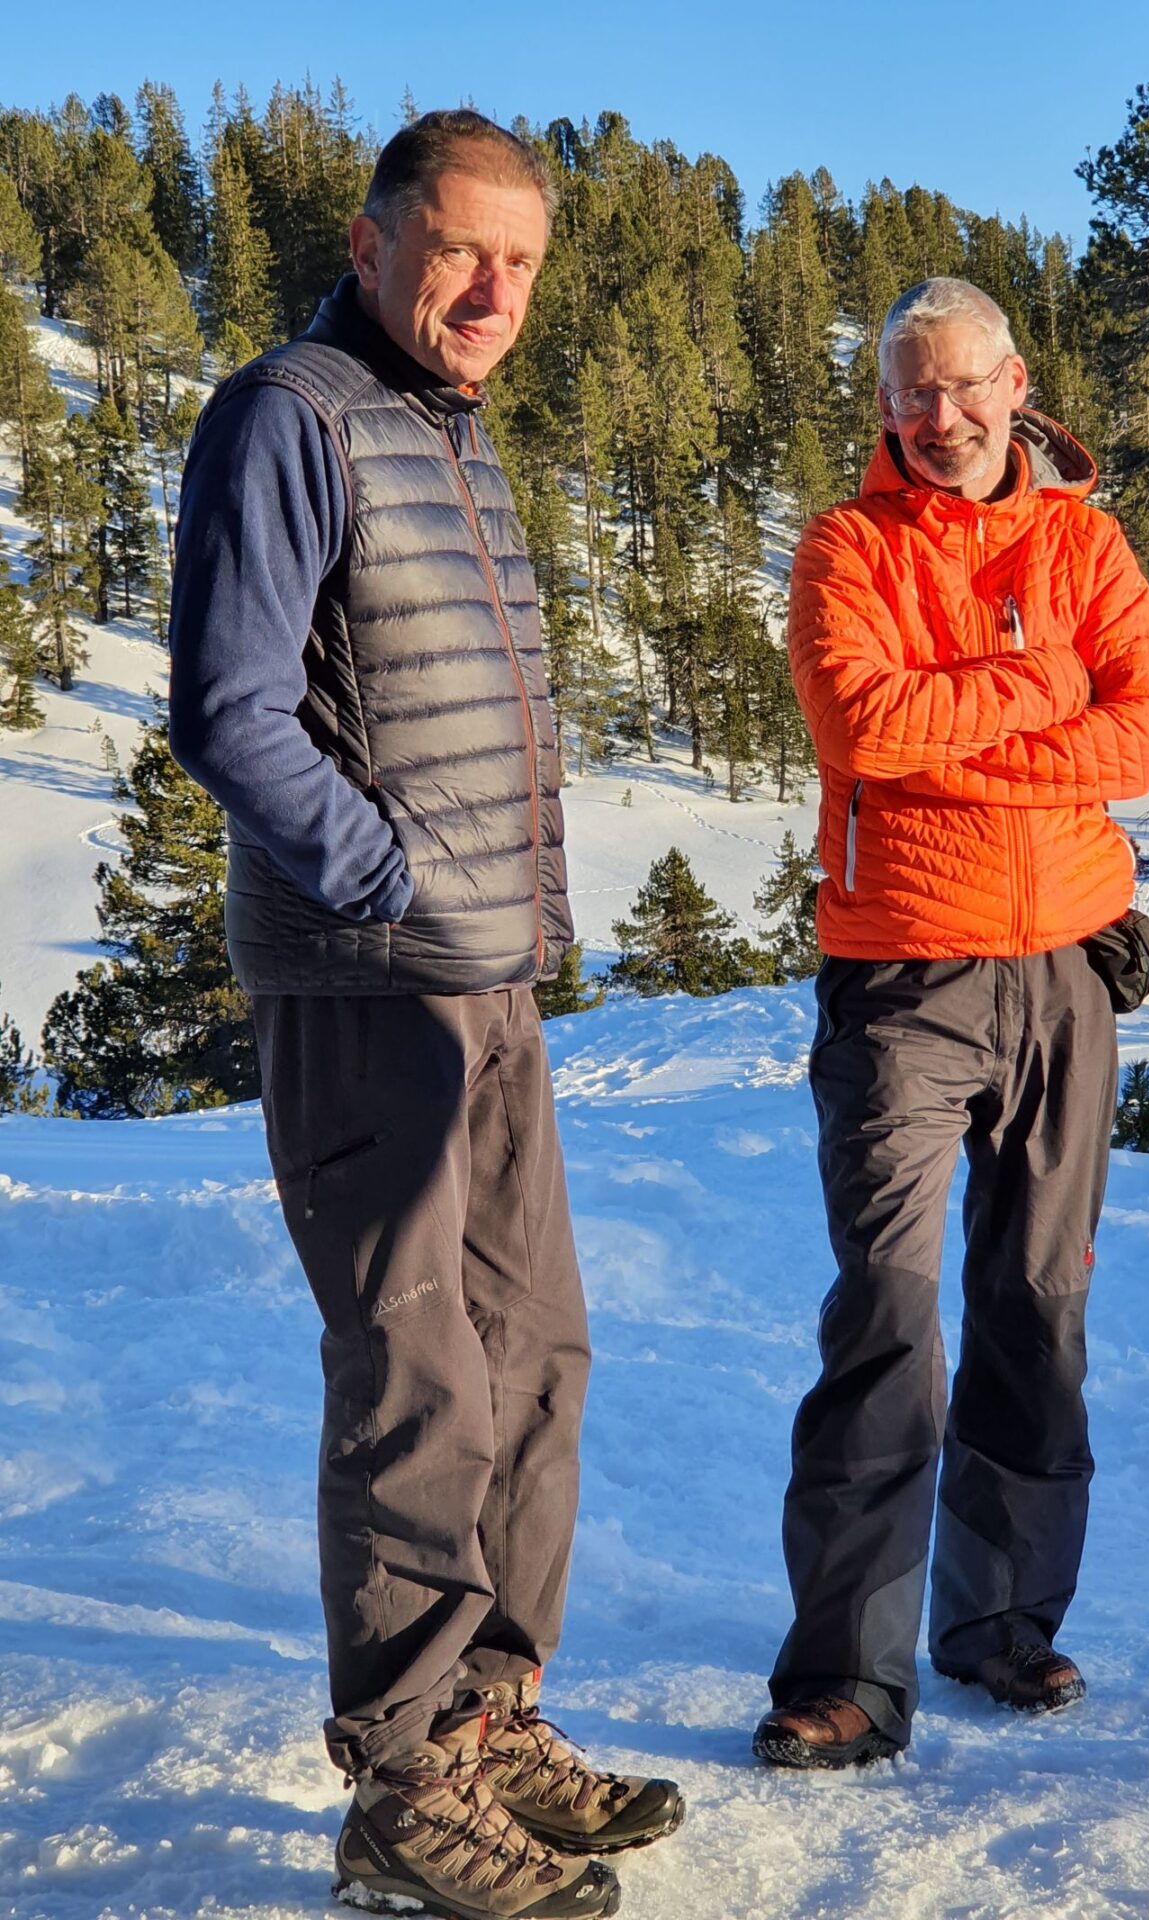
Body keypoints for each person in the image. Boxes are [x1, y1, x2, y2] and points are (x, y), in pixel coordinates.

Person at [169, 109, 682, 1918]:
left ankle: (488, 1715)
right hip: (366, 983)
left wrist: (491, 920)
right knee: (415, 1383)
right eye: (459, 250)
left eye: (519, 263)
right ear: (375, 243)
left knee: (533, 1357)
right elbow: (230, 709)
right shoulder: (292, 415)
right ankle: (401, 1789)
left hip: (488, 979)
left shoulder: (448, 435)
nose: (489, 292)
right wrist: (383, 880)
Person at [753, 278, 1149, 1771]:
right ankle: (847, 1677)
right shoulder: (846, 547)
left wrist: (960, 732)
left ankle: (1002, 1623)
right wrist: (1044, 688)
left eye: (965, 386)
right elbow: (862, 728)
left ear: (1016, 385)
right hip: (901, 974)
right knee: (887, 1310)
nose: (943, 418)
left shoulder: (1087, 544)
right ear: (886, 407)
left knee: (1038, 1303)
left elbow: (1140, 736)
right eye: (913, 394)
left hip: (1066, 970)